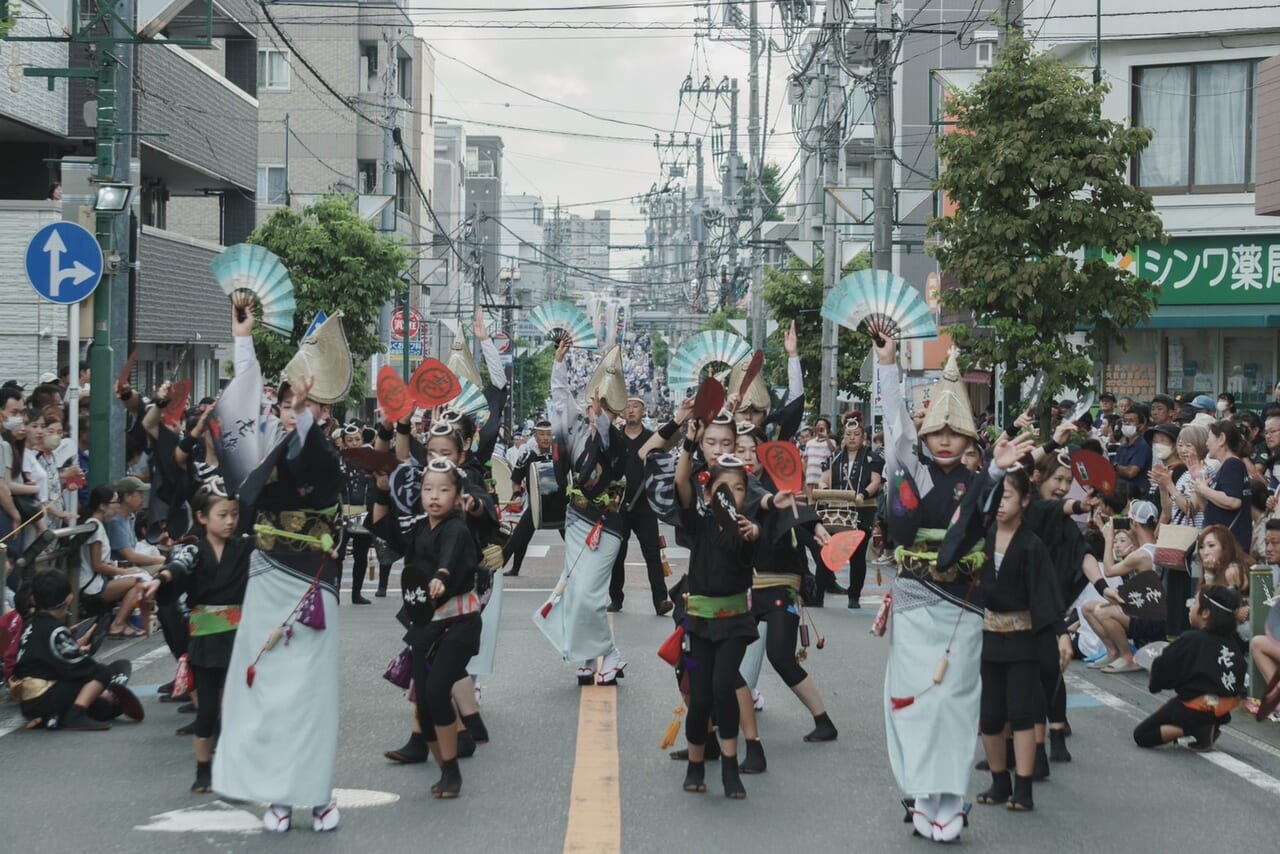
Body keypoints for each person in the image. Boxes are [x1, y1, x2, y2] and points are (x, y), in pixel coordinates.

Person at [873, 333, 1027, 843]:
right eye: (935, 431)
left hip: (963, 601)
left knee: (956, 701)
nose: (943, 441)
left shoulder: (979, 481)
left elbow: (981, 521)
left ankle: (952, 799)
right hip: (918, 600)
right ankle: (921, 794)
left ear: (969, 441)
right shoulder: (910, 468)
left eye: (954, 434)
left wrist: (1000, 470)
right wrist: (888, 364)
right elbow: (894, 424)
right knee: (916, 698)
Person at [213, 306, 346, 833]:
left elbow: (314, 463)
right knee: (262, 685)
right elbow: (243, 404)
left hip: (313, 577)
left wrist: (305, 411)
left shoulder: (323, 452)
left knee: (312, 692)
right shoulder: (259, 447)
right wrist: (241, 341)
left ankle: (318, 795)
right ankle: (276, 796)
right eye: (287, 404)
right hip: (267, 569)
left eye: (303, 405)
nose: (290, 411)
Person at [374, 458, 482, 799]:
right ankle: (446, 767)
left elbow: (448, 560)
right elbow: (381, 525)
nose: (435, 496)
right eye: (428, 489)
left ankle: (452, 772)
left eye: (444, 490)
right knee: (424, 701)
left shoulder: (458, 529)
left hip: (460, 623)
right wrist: (380, 492)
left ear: (457, 494)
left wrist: (441, 577)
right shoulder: (421, 528)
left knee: (436, 691)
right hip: (426, 625)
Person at [533, 338, 629, 686]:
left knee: (589, 593)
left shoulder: (612, 438)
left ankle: (612, 655)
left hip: (607, 524)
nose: (595, 408)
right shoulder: (573, 429)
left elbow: (608, 440)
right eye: (592, 401)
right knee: (576, 592)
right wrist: (559, 362)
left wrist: (602, 418)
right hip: (576, 520)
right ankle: (590, 657)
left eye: (604, 406)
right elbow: (560, 398)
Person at [975, 469, 1071, 813]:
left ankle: (1024, 787)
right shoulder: (983, 537)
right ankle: (1000, 780)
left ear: (1025, 500)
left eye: (1009, 497)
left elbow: (1045, 593)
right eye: (997, 497)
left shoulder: (1032, 545)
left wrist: (1061, 633)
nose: (1001, 504)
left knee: (1021, 712)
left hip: (1023, 640)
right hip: (988, 637)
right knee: (990, 715)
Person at [148, 482, 252, 793]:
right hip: (206, 640)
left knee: (239, 707)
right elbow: (177, 567)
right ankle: (203, 770)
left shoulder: (245, 547)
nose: (230, 521)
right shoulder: (192, 548)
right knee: (207, 709)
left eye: (234, 514)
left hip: (238, 637)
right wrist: (161, 578)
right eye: (223, 515)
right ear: (203, 517)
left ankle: (238, 767)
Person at [673, 449, 760, 799]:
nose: (731, 495)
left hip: (735, 623)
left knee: (724, 684)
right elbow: (681, 481)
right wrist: (689, 442)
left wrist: (753, 532)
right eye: (723, 488)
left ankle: (729, 764)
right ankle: (695, 765)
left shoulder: (747, 528)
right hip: (698, 624)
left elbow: (752, 542)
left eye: (739, 488)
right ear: (709, 493)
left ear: (746, 494)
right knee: (701, 696)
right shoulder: (699, 523)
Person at [9, 570, 144, 730]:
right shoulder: (55, 631)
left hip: (27, 703)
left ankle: (54, 717)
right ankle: (76, 714)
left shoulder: (29, 626)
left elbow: (47, 660)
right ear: (69, 599)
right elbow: (81, 668)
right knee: (101, 672)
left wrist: (74, 647)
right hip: (44, 698)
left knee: (101, 707)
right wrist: (83, 657)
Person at [1133, 586, 1246, 751]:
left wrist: (1155, 678)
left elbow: (1164, 665)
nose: (1190, 607)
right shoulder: (1233, 644)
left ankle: (1196, 729)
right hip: (1224, 709)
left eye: (1193, 603)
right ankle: (1208, 726)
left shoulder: (1191, 639)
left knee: (1142, 735)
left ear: (1206, 613)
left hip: (1196, 707)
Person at [607, 396, 674, 615]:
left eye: (636, 406)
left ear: (644, 410)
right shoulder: (615, 437)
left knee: (652, 554)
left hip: (645, 507)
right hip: (619, 504)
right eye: (627, 406)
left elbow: (664, 467)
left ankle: (660, 600)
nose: (631, 410)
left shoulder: (653, 438)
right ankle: (616, 597)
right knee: (617, 552)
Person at [1082, 502, 1162, 673]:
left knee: (1102, 611)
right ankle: (1113, 653)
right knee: (1088, 608)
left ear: (1134, 523)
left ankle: (1128, 657)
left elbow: (1109, 571)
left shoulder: (1142, 554)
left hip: (1150, 619)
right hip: (1145, 611)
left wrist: (1109, 538)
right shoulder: (1152, 546)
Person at [818, 417, 884, 608]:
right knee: (828, 549)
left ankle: (854, 595)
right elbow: (824, 479)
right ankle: (818, 593)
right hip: (837, 508)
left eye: (856, 434)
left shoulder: (873, 457)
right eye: (848, 434)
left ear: (863, 437)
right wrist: (824, 489)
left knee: (857, 553)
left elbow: (875, 481)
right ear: (843, 437)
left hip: (862, 509)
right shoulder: (835, 457)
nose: (852, 438)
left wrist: (862, 494)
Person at [77, 485, 148, 638]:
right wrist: (124, 571)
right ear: (103, 506)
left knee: (139, 575)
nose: (117, 507)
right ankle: (118, 624)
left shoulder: (97, 525)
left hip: (98, 580)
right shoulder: (95, 526)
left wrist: (123, 568)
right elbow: (97, 565)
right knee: (139, 581)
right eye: (115, 502)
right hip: (92, 586)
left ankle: (124, 622)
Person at [502, 419, 555, 577]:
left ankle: (580, 570)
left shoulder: (561, 453)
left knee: (573, 540)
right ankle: (497, 571)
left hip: (559, 505)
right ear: (536, 436)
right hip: (536, 505)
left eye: (548, 434)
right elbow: (516, 479)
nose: (545, 438)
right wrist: (517, 495)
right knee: (518, 538)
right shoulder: (527, 455)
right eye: (541, 434)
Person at [1198, 420, 1253, 552]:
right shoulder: (1230, 465)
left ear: (1221, 439)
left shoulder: (1232, 464)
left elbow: (1233, 501)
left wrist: (1204, 489)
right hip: (1225, 543)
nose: (1206, 443)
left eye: (1209, 437)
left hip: (1228, 544)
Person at [1113, 403, 1153, 500]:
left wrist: (1115, 467)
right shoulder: (1122, 447)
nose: (1126, 424)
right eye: (1125, 421)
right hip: (1123, 495)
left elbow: (1131, 472)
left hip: (1138, 497)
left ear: (1140, 426)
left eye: (1131, 421)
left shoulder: (1143, 445)